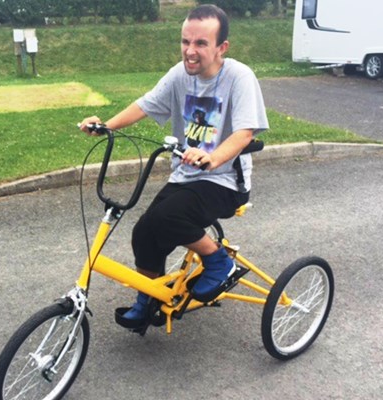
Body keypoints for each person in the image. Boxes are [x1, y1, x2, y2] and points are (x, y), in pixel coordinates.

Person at [78, 4, 268, 328]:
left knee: (168, 218)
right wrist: (106, 125)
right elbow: (145, 104)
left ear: (222, 47)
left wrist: (213, 157)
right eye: (185, 42)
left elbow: (244, 133)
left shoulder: (238, 77)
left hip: (223, 181)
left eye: (200, 44)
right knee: (144, 233)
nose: (189, 52)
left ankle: (218, 262)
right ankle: (148, 299)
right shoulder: (180, 75)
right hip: (186, 175)